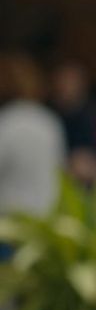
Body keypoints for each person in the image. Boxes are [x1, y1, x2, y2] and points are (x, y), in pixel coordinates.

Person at [0, 52, 64, 219]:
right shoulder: (49, 120)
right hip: (45, 218)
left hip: (11, 220)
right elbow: (60, 169)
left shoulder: (6, 123)